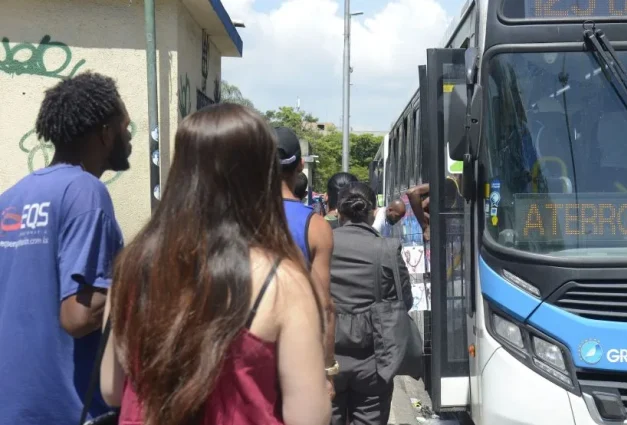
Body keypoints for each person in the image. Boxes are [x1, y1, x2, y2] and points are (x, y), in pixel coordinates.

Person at [99, 103, 330, 425]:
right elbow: (308, 418)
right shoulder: (282, 282)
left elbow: (111, 389)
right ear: (262, 175)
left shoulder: (132, 267)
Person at [0, 72, 131, 424]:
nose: (129, 136)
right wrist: (139, 282)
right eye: (125, 126)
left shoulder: (10, 199)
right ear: (106, 132)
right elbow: (77, 316)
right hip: (70, 409)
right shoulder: (86, 192)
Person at [329, 182, 412, 425]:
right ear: (373, 211)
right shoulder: (386, 248)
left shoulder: (323, 243)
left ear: (338, 211)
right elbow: (404, 301)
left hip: (327, 358)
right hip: (374, 359)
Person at [274, 126, 338, 397]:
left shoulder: (237, 217)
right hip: (297, 358)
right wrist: (327, 370)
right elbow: (324, 306)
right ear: (300, 165)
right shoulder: (315, 226)